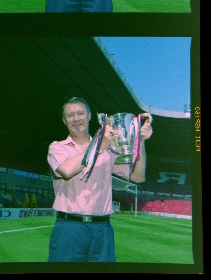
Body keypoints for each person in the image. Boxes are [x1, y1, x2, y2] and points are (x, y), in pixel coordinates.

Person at [47, 97, 151, 262]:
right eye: (71, 115)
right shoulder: (57, 147)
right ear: (64, 120)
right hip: (69, 228)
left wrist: (141, 142)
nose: (76, 118)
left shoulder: (109, 150)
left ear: (89, 116)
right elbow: (66, 170)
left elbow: (138, 177)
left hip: (102, 229)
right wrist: (99, 146)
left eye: (80, 113)